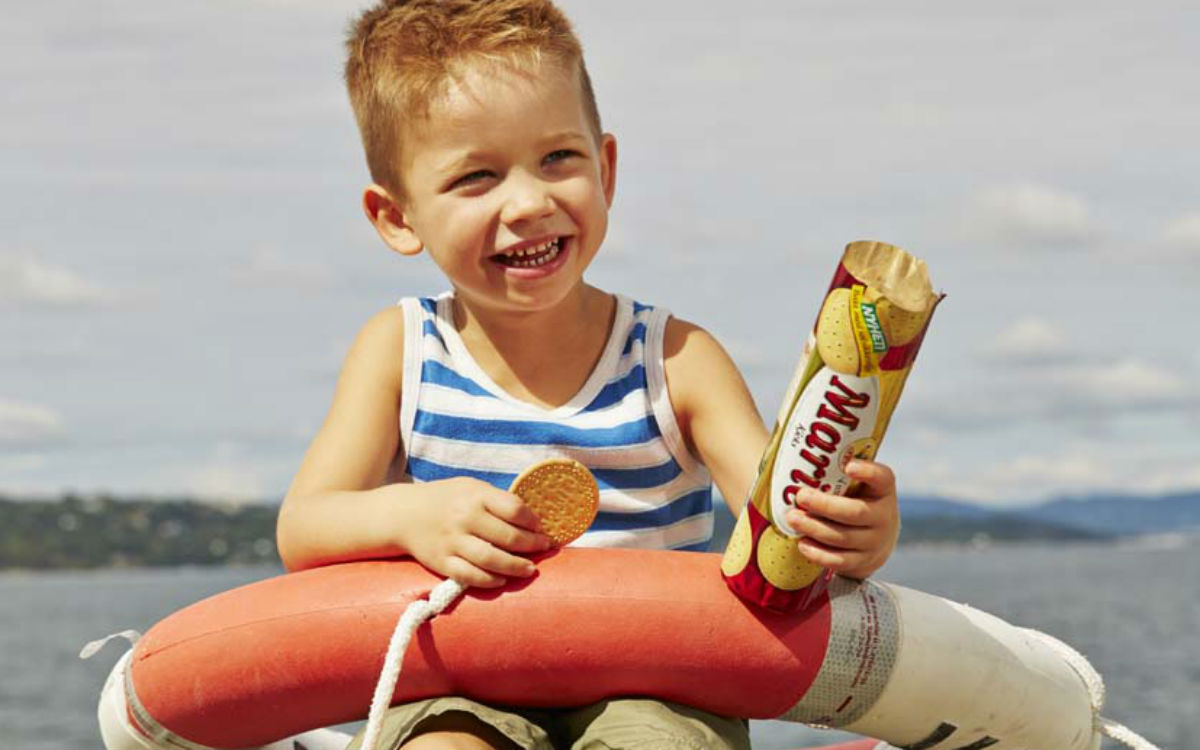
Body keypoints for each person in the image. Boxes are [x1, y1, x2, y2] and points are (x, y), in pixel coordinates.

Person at [277, 1, 901, 748]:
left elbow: (784, 533)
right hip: (458, 685)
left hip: (657, 688)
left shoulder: (676, 360)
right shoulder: (400, 351)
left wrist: (855, 534)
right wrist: (411, 515)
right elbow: (304, 526)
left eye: (558, 160)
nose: (531, 202)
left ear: (605, 169)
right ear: (397, 217)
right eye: (476, 177)